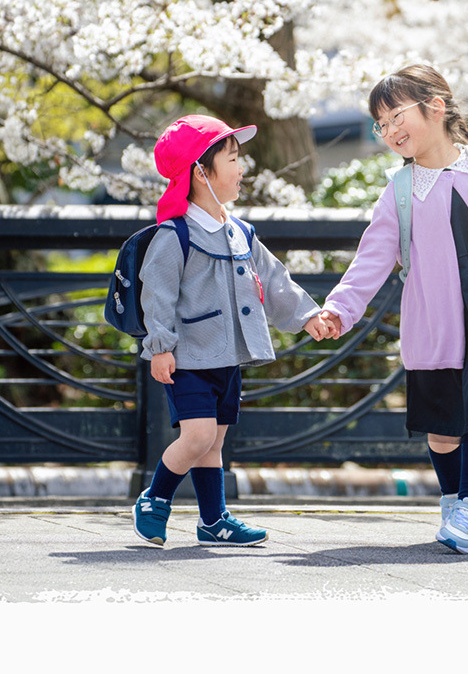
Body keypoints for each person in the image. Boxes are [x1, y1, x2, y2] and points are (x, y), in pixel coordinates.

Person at [319, 65, 468, 554]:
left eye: (396, 116)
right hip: (435, 319)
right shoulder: (400, 190)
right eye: (381, 124)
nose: (389, 130)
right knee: (441, 428)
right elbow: (371, 258)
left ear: (435, 107)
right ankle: (452, 500)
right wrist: (339, 309)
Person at [133, 114, 332, 547]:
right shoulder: (175, 234)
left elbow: (274, 279)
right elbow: (157, 293)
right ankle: (154, 498)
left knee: (214, 442)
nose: (242, 168)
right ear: (200, 172)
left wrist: (307, 316)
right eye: (233, 158)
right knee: (199, 435)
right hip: (188, 357)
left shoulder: (240, 231)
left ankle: (213, 521)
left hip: (228, 356)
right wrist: (160, 346)